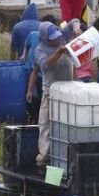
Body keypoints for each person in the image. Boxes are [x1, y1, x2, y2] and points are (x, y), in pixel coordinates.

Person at [29, 22, 74, 170]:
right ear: (44, 37)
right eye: (52, 38)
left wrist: (76, 27)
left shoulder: (62, 40)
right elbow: (44, 65)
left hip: (68, 92)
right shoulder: (40, 50)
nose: (55, 40)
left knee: (67, 125)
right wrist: (59, 52)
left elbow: (72, 23)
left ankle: (67, 157)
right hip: (50, 93)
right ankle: (44, 160)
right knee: (46, 125)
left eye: (56, 36)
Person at [22, 15, 58, 124]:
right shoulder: (39, 47)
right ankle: (35, 120)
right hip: (43, 81)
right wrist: (29, 90)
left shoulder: (60, 42)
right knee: (37, 100)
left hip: (58, 85)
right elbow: (37, 69)